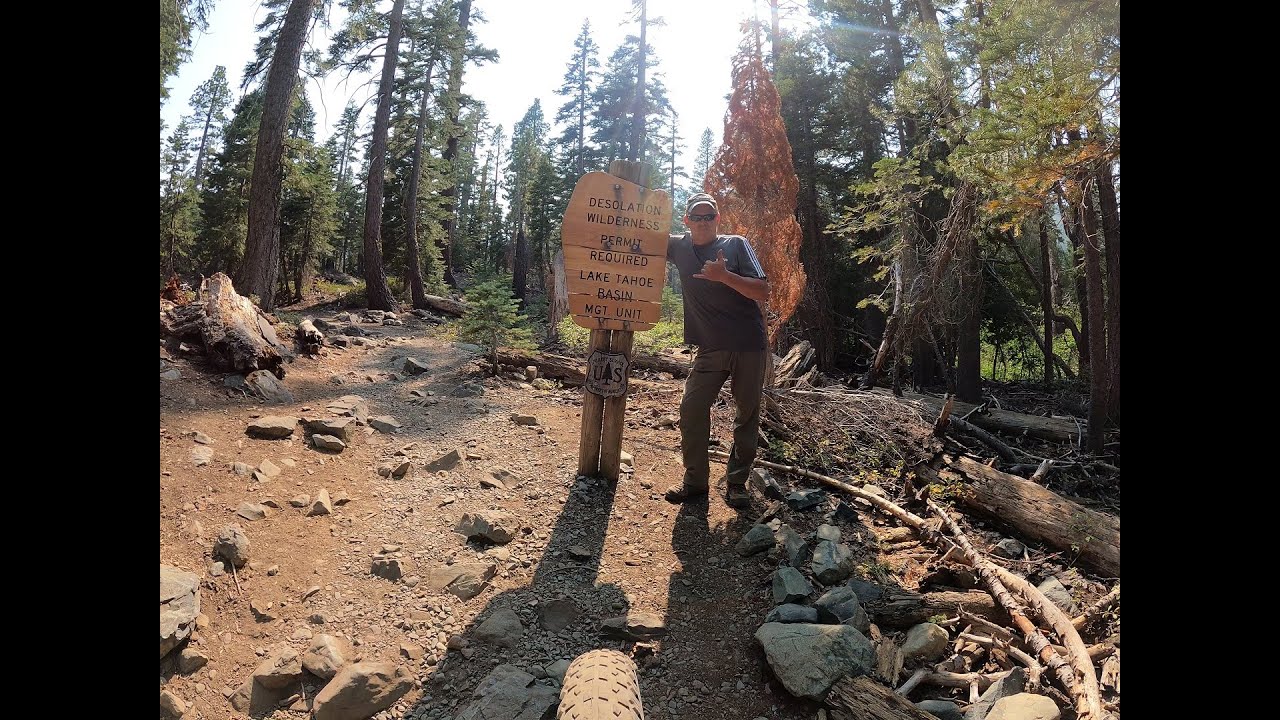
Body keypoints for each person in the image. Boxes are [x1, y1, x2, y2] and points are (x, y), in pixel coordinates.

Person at [664, 193, 770, 508]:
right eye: (696, 217)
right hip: (710, 348)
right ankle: (695, 482)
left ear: (717, 219)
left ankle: (737, 483)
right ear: (686, 221)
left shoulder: (736, 244)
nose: (702, 222)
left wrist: (724, 277)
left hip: (748, 345)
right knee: (692, 408)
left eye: (708, 216)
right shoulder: (679, 246)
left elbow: (763, 291)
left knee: (747, 414)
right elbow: (645, 234)